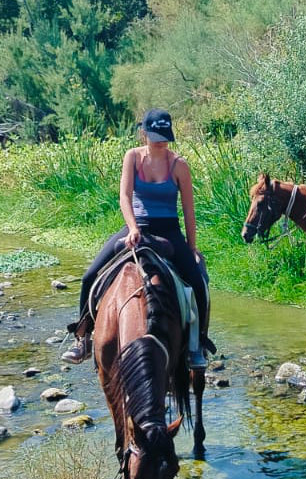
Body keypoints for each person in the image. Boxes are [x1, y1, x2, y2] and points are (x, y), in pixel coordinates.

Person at [62, 108, 209, 370]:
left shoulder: (179, 165)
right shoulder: (132, 157)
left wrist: (192, 247)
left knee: (198, 282)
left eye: (164, 136)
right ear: (144, 134)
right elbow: (124, 197)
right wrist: (132, 228)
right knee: (89, 276)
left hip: (169, 231)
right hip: (137, 227)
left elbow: (188, 210)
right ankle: (83, 338)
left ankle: (197, 346)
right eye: (155, 136)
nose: (161, 141)